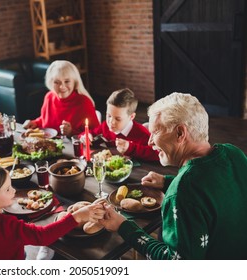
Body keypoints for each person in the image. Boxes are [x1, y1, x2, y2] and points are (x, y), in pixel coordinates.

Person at [99, 92, 247, 259]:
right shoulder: (233, 153)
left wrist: (123, 226)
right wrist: (167, 181)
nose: (150, 142)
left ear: (180, 133)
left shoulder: (183, 192)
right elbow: (214, 191)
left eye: (155, 132)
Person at [0, 166, 105, 260]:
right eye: (7, 189)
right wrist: (77, 216)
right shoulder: (7, 225)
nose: (14, 191)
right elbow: (43, 236)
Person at [23, 60, 100, 137]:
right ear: (50, 82)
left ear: (75, 82)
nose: (62, 87)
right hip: (48, 146)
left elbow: (96, 133)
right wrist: (35, 123)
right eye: (57, 82)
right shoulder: (49, 97)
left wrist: (71, 133)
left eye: (67, 81)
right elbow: (44, 119)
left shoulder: (84, 102)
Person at [80, 88, 159, 161]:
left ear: (131, 116)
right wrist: (86, 136)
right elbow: (88, 133)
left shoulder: (142, 134)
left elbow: (157, 154)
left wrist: (130, 148)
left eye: (118, 119)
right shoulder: (105, 127)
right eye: (109, 116)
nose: (111, 122)